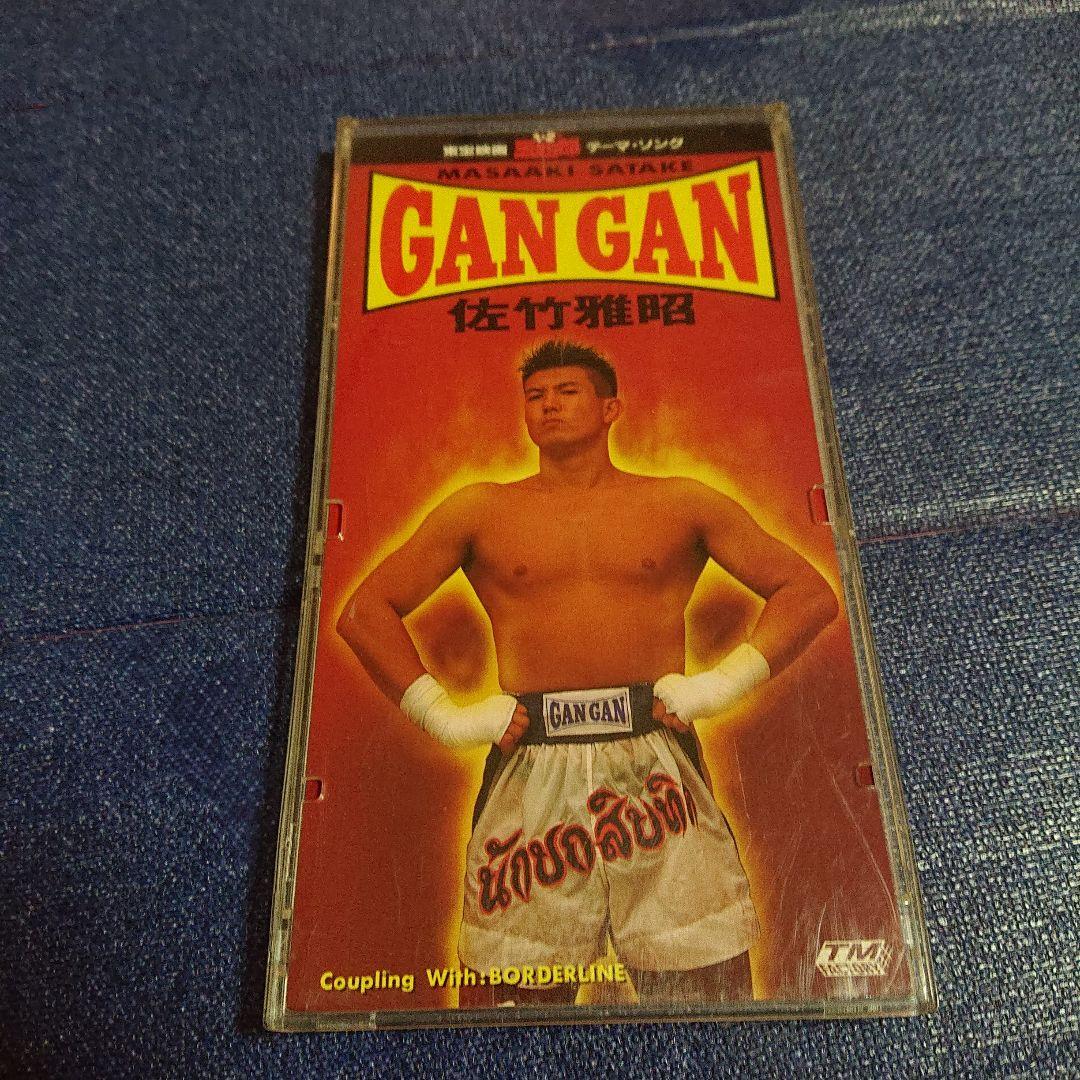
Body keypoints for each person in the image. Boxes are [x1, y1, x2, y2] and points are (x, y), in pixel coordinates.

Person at [337, 340, 838, 1007]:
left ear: (610, 408)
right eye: (535, 395)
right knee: (509, 992)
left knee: (703, 986)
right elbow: (364, 612)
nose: (548, 405)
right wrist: (444, 715)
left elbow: (808, 594)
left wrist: (719, 684)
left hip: (655, 762)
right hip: (531, 759)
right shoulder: (480, 509)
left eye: (566, 391)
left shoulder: (679, 501)